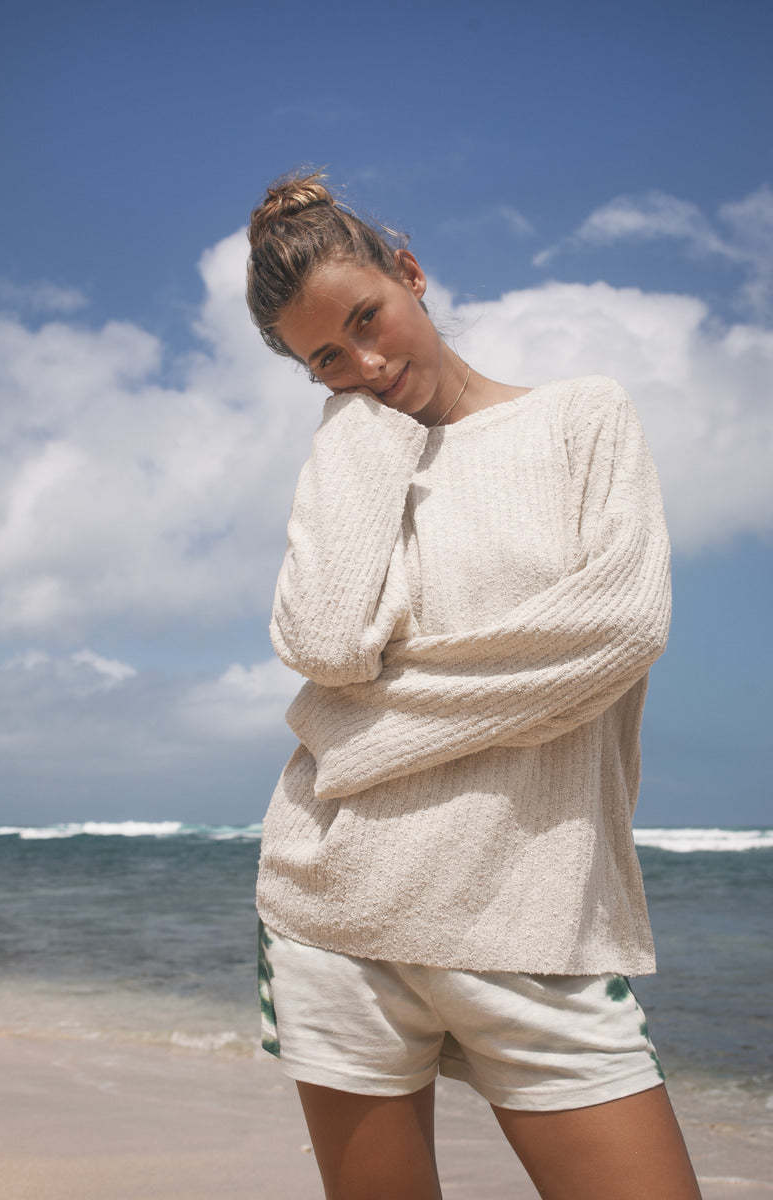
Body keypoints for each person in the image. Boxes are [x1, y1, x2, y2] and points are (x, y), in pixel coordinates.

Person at [247, 171, 702, 1200]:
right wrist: (362, 433)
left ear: (410, 274)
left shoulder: (581, 419)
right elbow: (320, 642)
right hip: (337, 915)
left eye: (370, 319)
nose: (363, 362)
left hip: (534, 921)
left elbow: (618, 629)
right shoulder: (353, 445)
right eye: (326, 357)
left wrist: (354, 741)